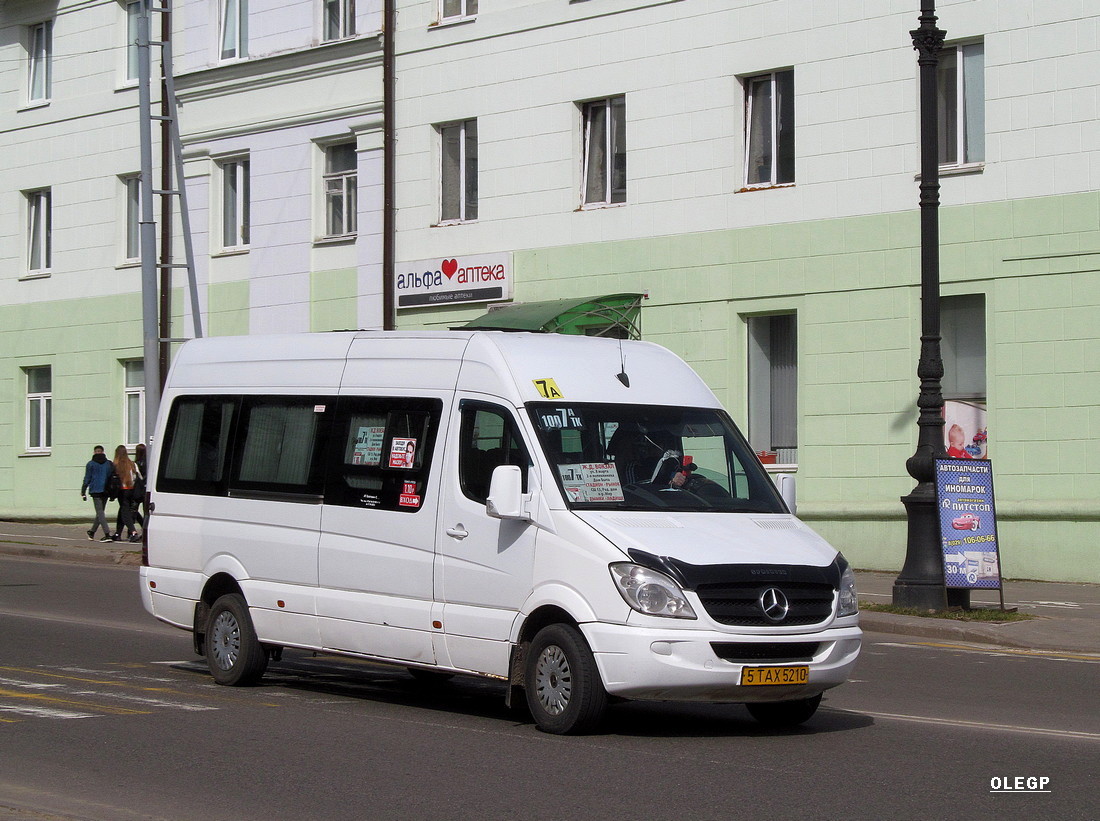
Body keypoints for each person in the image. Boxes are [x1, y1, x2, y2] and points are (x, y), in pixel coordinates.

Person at [81, 445, 116, 542]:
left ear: (94, 452)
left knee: (100, 513)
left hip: (95, 490)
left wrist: (83, 491)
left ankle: (107, 534)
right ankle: (92, 532)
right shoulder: (108, 464)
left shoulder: (91, 464)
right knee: (100, 513)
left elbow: (87, 478)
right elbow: (111, 477)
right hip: (106, 490)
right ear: (103, 452)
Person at [112, 445, 140, 542]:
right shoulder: (132, 464)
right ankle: (117, 533)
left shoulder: (116, 465)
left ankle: (133, 532)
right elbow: (138, 477)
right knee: (123, 510)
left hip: (122, 490)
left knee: (125, 511)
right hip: (131, 489)